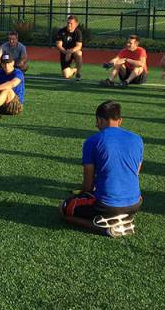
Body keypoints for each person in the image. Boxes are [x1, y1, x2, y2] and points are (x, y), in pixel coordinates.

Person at [59, 100, 143, 237]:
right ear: (120, 120)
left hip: (107, 205)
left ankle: (106, 229)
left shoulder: (92, 141)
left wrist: (79, 195)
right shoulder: (137, 139)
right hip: (136, 203)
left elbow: (88, 185)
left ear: (99, 120)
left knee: (63, 209)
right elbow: (136, 173)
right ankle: (123, 218)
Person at [54, 14, 84, 80]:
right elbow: (58, 45)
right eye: (68, 23)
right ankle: (74, 69)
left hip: (73, 52)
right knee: (66, 75)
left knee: (79, 53)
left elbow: (79, 46)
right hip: (64, 53)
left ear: (76, 24)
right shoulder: (61, 31)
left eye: (71, 23)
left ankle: (78, 74)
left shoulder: (78, 32)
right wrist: (66, 52)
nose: (69, 25)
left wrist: (70, 51)